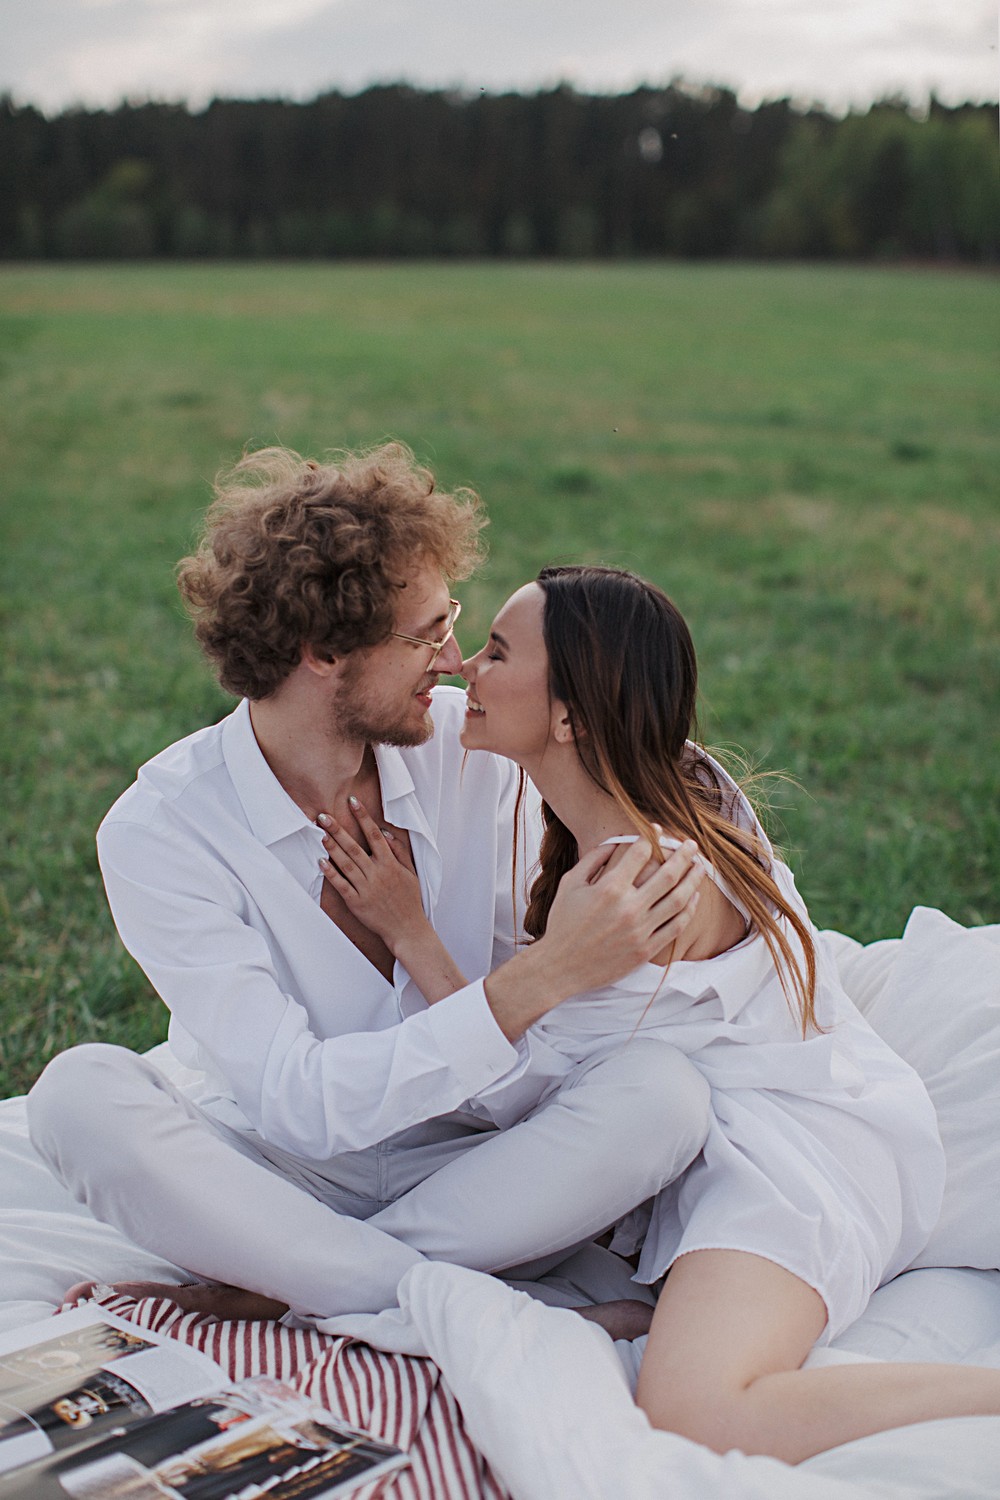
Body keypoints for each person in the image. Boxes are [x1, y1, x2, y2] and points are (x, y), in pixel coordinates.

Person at [325, 562, 1000, 1463]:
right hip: (746, 1123)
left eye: (497, 652)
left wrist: (410, 932)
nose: (464, 668)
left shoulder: (643, 887)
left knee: (697, 1411)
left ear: (569, 715)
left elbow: (509, 1091)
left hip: (792, 1161)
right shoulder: (661, 783)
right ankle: (640, 1304)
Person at [26, 445, 708, 1323]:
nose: (453, 658)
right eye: (426, 633)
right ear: (321, 651)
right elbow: (297, 1106)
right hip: (274, 1173)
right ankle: (444, 1298)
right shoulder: (163, 830)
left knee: (664, 1095)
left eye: (450, 621)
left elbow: (644, 753)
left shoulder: (478, 747)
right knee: (77, 1098)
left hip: (478, 1166)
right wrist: (545, 975)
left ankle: (290, 1291)